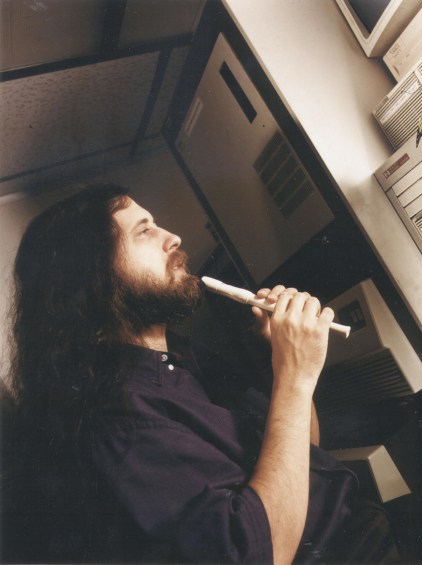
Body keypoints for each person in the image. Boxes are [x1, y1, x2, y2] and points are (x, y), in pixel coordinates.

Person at [4, 183, 398, 564]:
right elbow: (260, 555)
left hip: (360, 527)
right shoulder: (116, 417)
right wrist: (295, 376)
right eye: (144, 231)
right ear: (93, 277)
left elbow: (303, 455)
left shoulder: (183, 355)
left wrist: (282, 361)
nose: (173, 237)